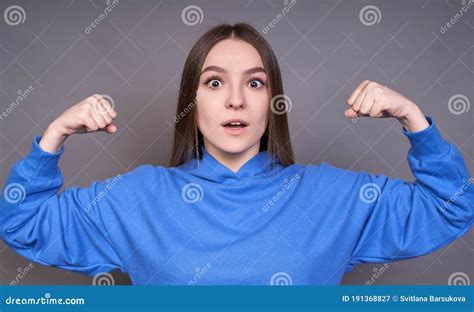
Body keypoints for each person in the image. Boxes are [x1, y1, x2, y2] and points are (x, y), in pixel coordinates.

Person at [0, 23, 472, 285]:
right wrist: (54, 134)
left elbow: (450, 209)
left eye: (254, 82)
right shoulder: (138, 197)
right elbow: (21, 223)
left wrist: (415, 121)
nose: (235, 101)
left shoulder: (333, 196)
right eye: (213, 82)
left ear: (273, 100)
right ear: (193, 99)